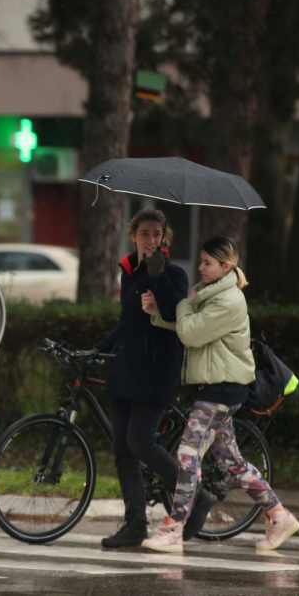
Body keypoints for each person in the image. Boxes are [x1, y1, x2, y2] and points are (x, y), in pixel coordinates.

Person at [140, 236, 299, 554]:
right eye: (200, 261)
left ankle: (173, 529)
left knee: (188, 454)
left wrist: (184, 303)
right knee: (231, 461)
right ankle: (279, 515)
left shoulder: (228, 300)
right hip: (218, 387)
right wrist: (160, 313)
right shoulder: (212, 295)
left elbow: (191, 332)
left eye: (207, 263)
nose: (200, 267)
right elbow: (197, 328)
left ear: (225, 266)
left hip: (221, 388)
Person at [94, 208, 212, 548]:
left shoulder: (174, 273)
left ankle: (197, 495)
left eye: (156, 233)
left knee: (140, 441)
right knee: (123, 449)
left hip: (157, 371)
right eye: (144, 233)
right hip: (127, 370)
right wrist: (98, 349)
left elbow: (179, 313)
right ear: (133, 237)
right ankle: (134, 524)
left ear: (165, 238)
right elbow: (126, 323)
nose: (151, 239)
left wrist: (157, 275)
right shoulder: (128, 273)